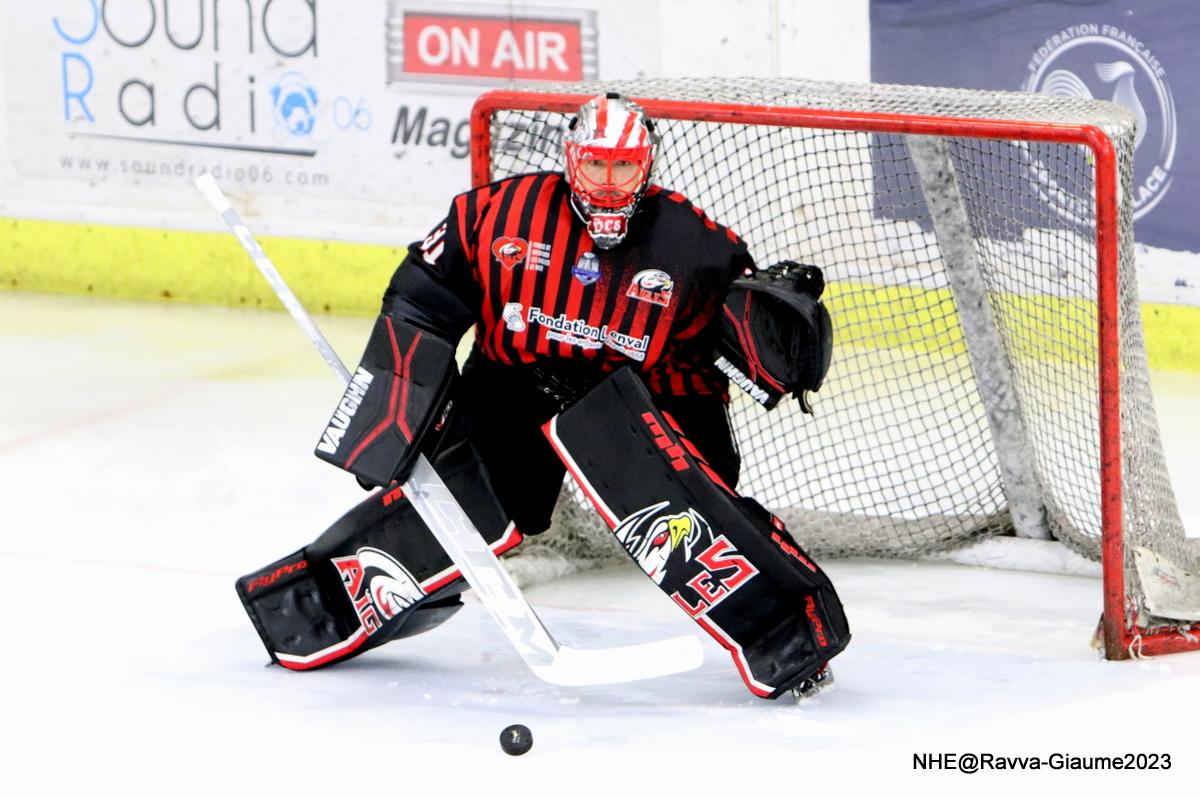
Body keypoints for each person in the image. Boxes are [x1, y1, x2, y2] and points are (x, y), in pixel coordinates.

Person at [236, 93, 849, 699]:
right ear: (570, 159)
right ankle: (305, 607)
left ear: (647, 166)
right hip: (512, 385)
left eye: (624, 166)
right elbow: (422, 301)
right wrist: (388, 414)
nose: (608, 182)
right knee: (470, 503)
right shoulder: (493, 214)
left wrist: (726, 430)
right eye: (595, 164)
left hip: (632, 399)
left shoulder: (699, 247)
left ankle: (793, 636)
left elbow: (708, 362)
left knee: (688, 520)